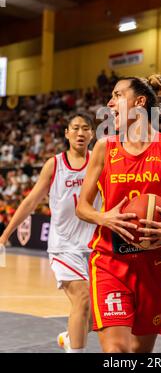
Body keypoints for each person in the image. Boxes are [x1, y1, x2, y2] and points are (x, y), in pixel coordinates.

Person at [76, 74, 161, 353]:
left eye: (117, 95)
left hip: (155, 264)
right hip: (110, 261)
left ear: (140, 102)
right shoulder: (103, 148)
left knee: (139, 352)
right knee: (117, 352)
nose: (109, 103)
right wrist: (104, 217)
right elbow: (82, 207)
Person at [0, 113, 99, 352]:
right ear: (66, 133)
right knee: (83, 299)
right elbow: (31, 201)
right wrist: (5, 234)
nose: (80, 133)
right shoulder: (55, 164)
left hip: (95, 245)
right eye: (75, 128)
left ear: (92, 134)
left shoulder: (99, 161)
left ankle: (68, 338)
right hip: (64, 246)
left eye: (86, 128)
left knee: (97, 315)